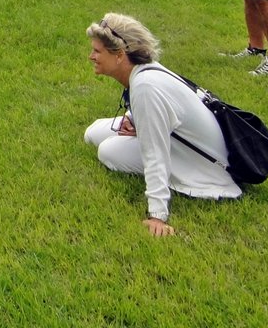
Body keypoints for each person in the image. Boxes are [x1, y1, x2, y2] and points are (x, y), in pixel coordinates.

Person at [83, 13, 242, 237]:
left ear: (119, 55)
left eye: (97, 51)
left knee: (108, 151)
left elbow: (154, 153)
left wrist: (157, 215)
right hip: (181, 139)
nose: (91, 56)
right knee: (93, 133)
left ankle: (167, 197)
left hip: (207, 168)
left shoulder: (146, 86)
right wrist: (133, 119)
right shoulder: (145, 70)